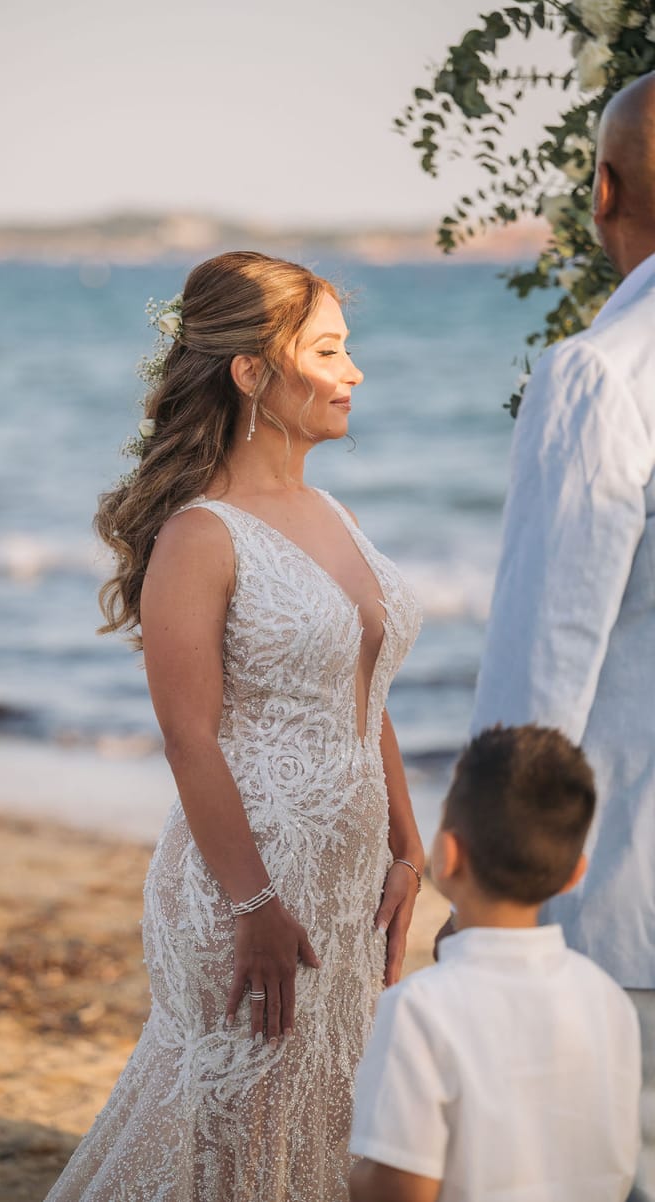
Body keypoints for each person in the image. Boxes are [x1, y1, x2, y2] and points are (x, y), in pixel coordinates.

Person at [44, 251, 424, 1202]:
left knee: (318, 1122)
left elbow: (362, 689)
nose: (354, 373)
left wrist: (407, 846)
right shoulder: (199, 535)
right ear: (253, 373)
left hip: (346, 883)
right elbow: (189, 737)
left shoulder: (329, 509)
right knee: (229, 1138)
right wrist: (253, 908)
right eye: (329, 350)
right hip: (244, 886)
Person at [467, 72, 655, 1200]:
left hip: (626, 909)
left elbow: (540, 662)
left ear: (601, 193)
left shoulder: (602, 376)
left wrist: (484, 886)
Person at [349, 724, 641, 1202]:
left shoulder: (419, 1009)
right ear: (575, 875)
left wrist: (349, 1173)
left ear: (447, 855)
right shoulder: (607, 999)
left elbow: (401, 1190)